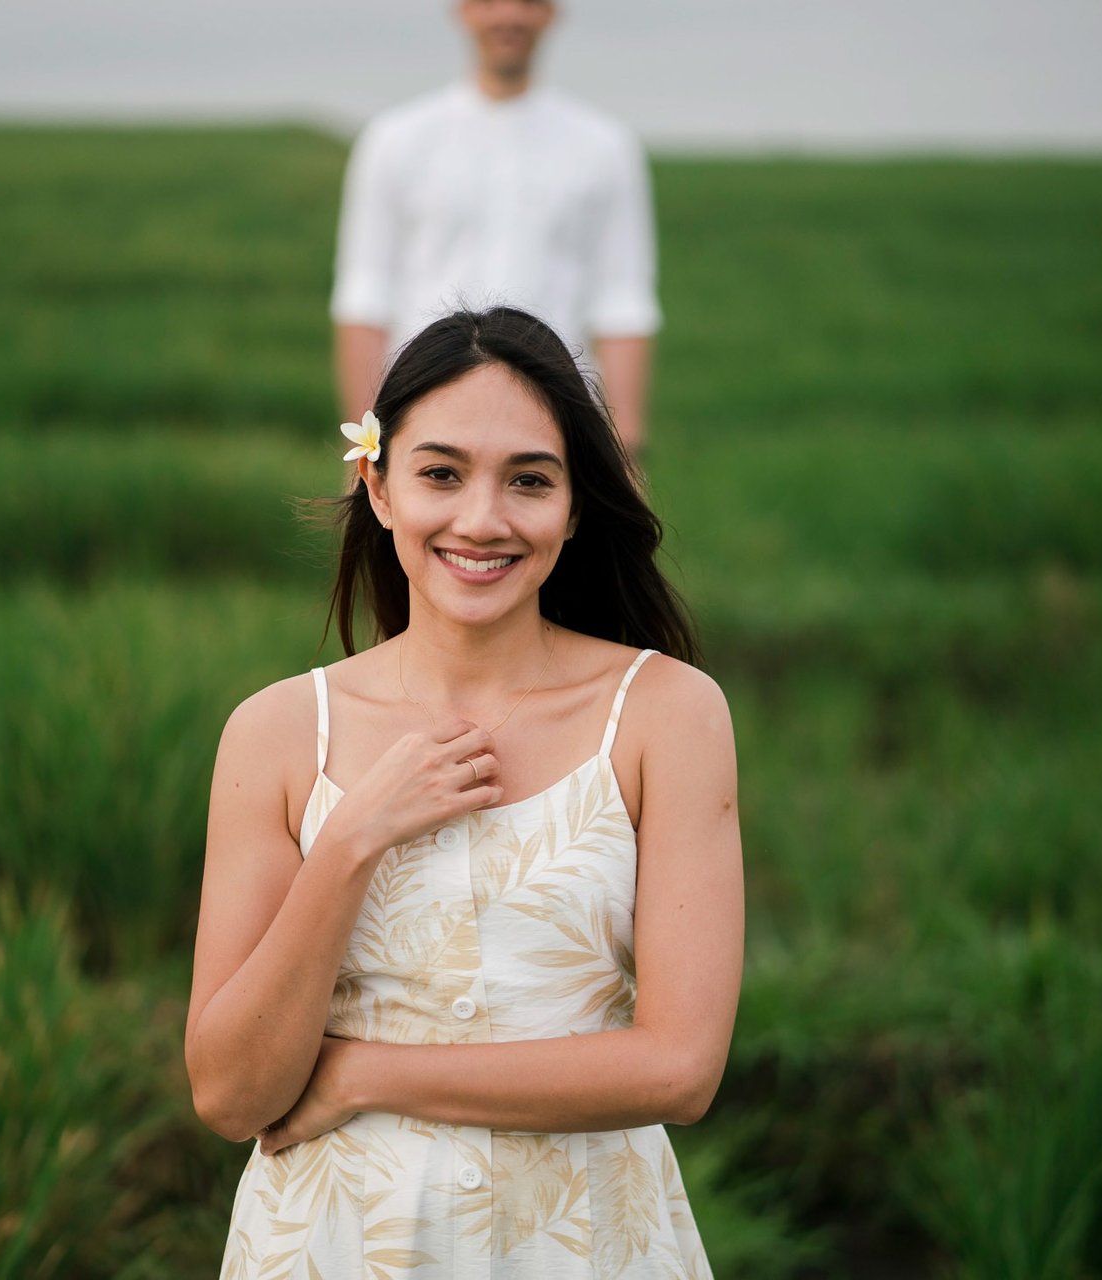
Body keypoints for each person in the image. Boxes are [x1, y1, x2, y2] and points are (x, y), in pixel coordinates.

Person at [187, 307, 742, 1276]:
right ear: (379, 484)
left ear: (575, 506)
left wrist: (364, 1071)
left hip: (587, 1243)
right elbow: (232, 1094)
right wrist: (354, 837)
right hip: (337, 1245)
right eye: (441, 472)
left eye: (529, 479)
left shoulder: (666, 714)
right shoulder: (278, 733)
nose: (482, 518)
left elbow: (680, 1067)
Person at [332, 0, 662, 456]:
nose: (509, 16)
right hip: (421, 406)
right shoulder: (395, 139)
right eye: (489, 2)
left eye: (529, 3)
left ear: (551, 13)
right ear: (463, 11)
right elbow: (365, 296)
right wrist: (366, 442)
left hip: (558, 410)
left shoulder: (605, 147)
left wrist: (625, 446)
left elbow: (623, 301)